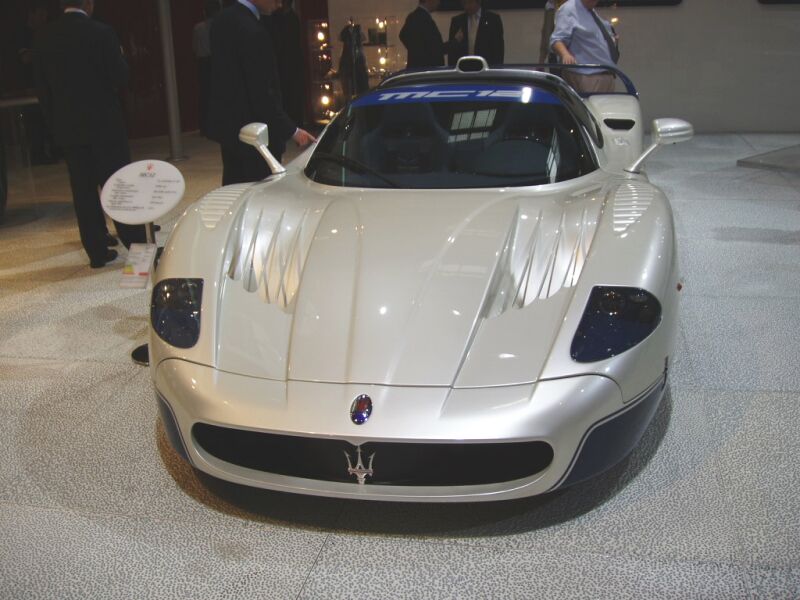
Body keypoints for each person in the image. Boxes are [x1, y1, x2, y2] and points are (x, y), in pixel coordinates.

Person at [34, 0, 146, 268]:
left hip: (69, 128)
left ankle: (96, 249)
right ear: (88, 3)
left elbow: (42, 89)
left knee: (82, 190)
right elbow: (120, 76)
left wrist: (55, 125)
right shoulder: (102, 32)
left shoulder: (44, 38)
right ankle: (135, 241)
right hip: (104, 125)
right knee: (118, 185)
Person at [208, 0, 315, 185]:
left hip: (231, 132)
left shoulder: (221, 21)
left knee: (236, 190)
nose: (280, 4)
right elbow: (262, 95)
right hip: (258, 138)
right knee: (261, 195)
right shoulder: (253, 31)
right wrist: (293, 131)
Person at [550, 0, 619, 94]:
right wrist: (565, 54)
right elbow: (557, 40)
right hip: (587, 76)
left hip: (605, 74)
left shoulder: (591, 11)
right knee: (591, 108)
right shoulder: (569, 9)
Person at [267, 0, 305, 126]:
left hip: (288, 61)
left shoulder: (287, 18)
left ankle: (294, 121)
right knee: (286, 93)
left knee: (291, 94)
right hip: (284, 61)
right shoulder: (283, 18)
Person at [447, 0, 504, 67]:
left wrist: (496, 69)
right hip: (463, 68)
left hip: (486, 67)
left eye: (470, 2)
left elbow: (498, 49)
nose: (467, 6)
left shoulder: (493, 19)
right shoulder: (457, 21)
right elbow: (452, 51)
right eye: (464, 3)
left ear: (478, 2)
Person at [193, 0, 220, 137]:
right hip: (215, 61)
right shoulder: (219, 26)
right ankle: (215, 126)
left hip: (203, 61)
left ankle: (205, 127)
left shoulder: (198, 28)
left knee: (205, 95)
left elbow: (195, 47)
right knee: (216, 94)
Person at [399, 0, 446, 70]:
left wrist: (415, 50)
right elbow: (435, 48)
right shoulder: (425, 19)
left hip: (417, 69)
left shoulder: (414, 16)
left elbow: (402, 35)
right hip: (426, 70)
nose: (439, 2)